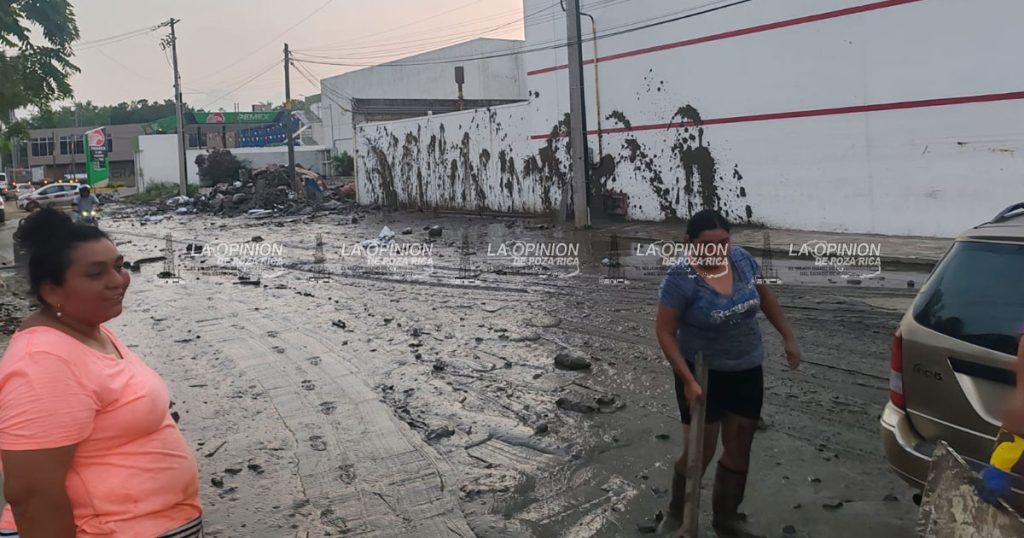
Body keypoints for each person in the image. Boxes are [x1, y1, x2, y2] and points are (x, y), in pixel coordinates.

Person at [0, 208, 202, 537]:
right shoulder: (43, 363)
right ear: (52, 291)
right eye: (96, 274)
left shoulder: (88, 330)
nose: (118, 281)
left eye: (118, 266)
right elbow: (32, 495)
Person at [654, 209, 801, 537]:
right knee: (699, 452)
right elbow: (664, 332)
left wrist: (788, 337)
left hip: (746, 368)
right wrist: (688, 380)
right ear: (689, 243)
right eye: (707, 245)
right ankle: (677, 513)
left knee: (739, 446)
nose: (716, 251)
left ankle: (727, 517)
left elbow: (765, 297)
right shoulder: (680, 279)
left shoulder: (742, 260)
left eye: (723, 242)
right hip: (701, 374)